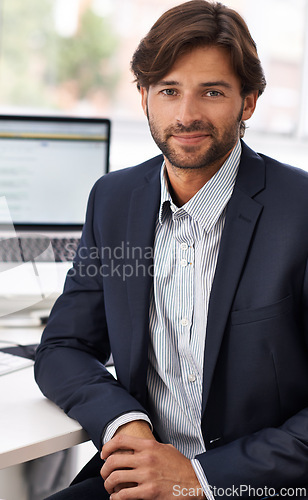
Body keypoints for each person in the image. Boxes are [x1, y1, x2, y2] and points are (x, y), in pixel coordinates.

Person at [34, 1, 308, 499]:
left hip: (260, 483)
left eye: (212, 92)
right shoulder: (115, 200)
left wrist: (201, 479)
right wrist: (123, 421)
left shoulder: (301, 211)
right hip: (144, 476)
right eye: (169, 91)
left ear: (248, 102)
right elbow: (64, 347)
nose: (186, 115)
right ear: (143, 97)